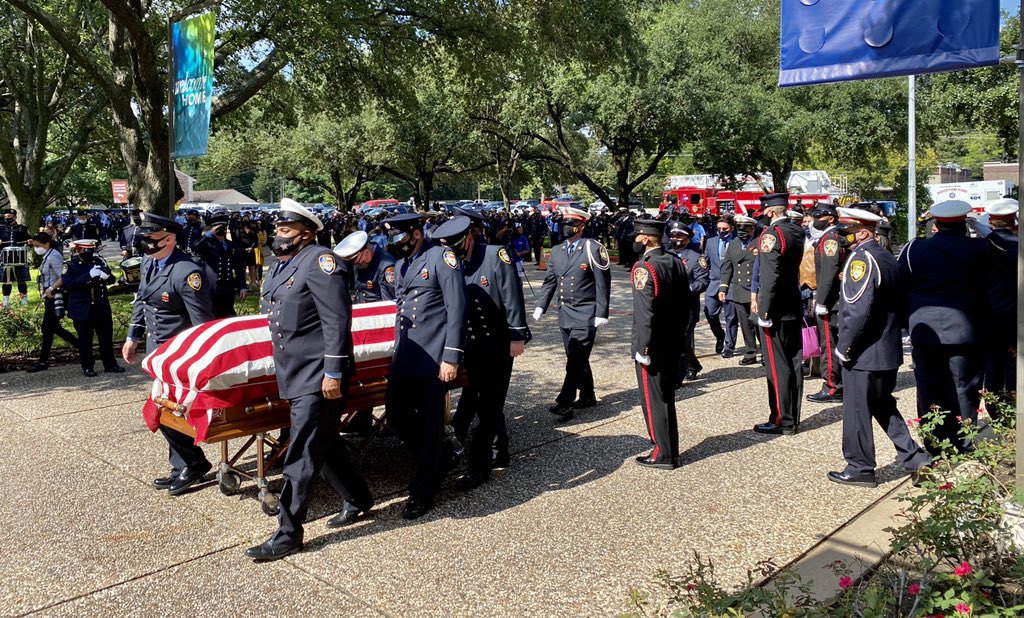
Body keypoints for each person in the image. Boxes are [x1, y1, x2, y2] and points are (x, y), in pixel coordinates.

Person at [246, 199, 373, 562]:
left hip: (319, 375)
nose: (278, 237)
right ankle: (359, 497)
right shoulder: (282, 265)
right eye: (277, 230)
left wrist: (333, 372)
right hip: (293, 369)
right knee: (324, 441)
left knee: (300, 454)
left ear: (307, 233)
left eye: (285, 231)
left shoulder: (321, 262)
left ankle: (288, 533)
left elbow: (337, 320)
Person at [827, 208, 932, 487]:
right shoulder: (886, 256)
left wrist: (844, 347)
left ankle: (860, 467)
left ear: (862, 232)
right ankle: (915, 458)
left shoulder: (862, 259)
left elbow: (857, 311)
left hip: (864, 352)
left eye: (847, 232)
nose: (843, 238)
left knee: (857, 412)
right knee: (883, 405)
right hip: (885, 348)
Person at [121, 213, 215, 496]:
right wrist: (132, 336)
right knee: (165, 410)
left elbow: (202, 322)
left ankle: (194, 463)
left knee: (167, 410)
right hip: (156, 351)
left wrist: (198, 359)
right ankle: (183, 465)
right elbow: (141, 300)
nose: (145, 244)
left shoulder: (186, 272)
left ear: (168, 239)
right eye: (145, 239)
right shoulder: (151, 262)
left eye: (150, 239)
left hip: (178, 354)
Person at [383, 212, 467, 519]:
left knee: (431, 426)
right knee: (395, 416)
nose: (396, 243)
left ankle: (424, 490)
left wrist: (452, 356)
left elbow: (457, 307)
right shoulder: (400, 265)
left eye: (400, 237)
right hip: (407, 356)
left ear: (416, 233)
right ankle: (441, 456)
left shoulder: (440, 257)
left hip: (434, 358)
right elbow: (400, 312)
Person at [443, 216, 531, 490]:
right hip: (472, 345)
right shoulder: (453, 262)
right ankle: (498, 452)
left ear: (469, 237)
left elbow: (512, 295)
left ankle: (478, 468)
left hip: (497, 343)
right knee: (476, 401)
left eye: (459, 246)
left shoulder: (496, 255)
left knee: (489, 406)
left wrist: (517, 335)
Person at [898, 200, 990, 454]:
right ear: (965, 223)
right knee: (965, 387)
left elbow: (902, 287)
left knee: (929, 386)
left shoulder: (914, 249)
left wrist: (908, 323)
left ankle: (935, 442)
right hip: (967, 329)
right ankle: (962, 439)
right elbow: (1006, 252)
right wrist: (984, 229)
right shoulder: (980, 248)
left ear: (935, 224)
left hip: (925, 329)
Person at [533, 207, 612, 420]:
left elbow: (603, 283)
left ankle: (565, 402)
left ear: (581, 226)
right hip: (565, 311)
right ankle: (587, 395)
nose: (567, 228)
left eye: (571, 224)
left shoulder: (592, 248)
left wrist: (602, 312)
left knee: (575, 359)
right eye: (564, 224)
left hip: (586, 311)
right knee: (576, 356)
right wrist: (542, 305)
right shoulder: (558, 250)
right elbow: (551, 280)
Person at [631, 219, 691, 469]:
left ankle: (662, 453)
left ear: (645, 238)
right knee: (665, 397)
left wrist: (643, 349)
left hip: (653, 345)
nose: (633, 240)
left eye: (636, 236)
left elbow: (646, 314)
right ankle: (669, 449)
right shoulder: (674, 261)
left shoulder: (645, 267)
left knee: (653, 400)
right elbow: (685, 304)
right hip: (672, 340)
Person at [753, 193, 806, 435]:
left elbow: (770, 276)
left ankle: (780, 419)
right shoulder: (797, 230)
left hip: (776, 309)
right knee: (793, 363)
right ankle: (792, 416)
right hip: (793, 304)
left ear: (771, 212)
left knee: (777, 366)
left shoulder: (772, 234)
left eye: (765, 211)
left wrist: (764, 310)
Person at [60, 239, 125, 377]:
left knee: (106, 338)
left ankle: (110, 364)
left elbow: (111, 279)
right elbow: (69, 284)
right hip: (82, 308)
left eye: (91, 249)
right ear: (78, 250)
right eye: (86, 250)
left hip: (101, 307)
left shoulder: (98, 262)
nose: (89, 253)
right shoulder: (70, 265)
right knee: (85, 340)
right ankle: (88, 366)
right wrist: (88, 276)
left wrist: (107, 276)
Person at [807, 203, 847, 403]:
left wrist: (821, 300)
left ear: (830, 219)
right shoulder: (828, 238)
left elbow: (829, 273)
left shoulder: (830, 239)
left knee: (829, 345)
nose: (815, 221)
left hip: (830, 301)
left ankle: (832, 387)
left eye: (818, 217)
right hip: (831, 299)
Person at [982, 198, 1018, 406]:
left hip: (989, 315)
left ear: (990, 222)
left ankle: (994, 405)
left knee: (993, 363)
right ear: (1014, 223)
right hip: (1015, 315)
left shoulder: (982, 247)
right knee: (1013, 361)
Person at [27, 232, 77, 372]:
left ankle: (43, 361)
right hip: (49, 295)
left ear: (46, 244)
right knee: (52, 327)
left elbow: (63, 276)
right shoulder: (48, 254)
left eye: (37, 246)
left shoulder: (54, 255)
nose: (36, 248)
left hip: (55, 295)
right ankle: (81, 346)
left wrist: (51, 289)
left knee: (47, 328)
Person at [666, 222, 709, 380]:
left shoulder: (696, 258)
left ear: (687, 239)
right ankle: (693, 364)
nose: (675, 239)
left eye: (679, 236)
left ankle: (682, 371)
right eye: (672, 236)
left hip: (687, 306)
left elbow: (702, 281)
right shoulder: (666, 255)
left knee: (683, 337)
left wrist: (687, 289)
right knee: (676, 338)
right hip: (669, 306)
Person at [717, 214, 759, 366]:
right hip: (739, 289)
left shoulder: (759, 243)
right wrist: (723, 287)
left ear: (752, 228)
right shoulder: (734, 244)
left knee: (758, 323)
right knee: (745, 324)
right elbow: (727, 267)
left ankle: (766, 353)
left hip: (755, 290)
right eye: (739, 228)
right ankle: (750, 352)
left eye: (745, 228)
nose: (742, 232)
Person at [193, 215, 248, 318]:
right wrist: (209, 233)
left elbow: (239, 267)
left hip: (227, 286)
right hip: (212, 287)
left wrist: (243, 286)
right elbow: (195, 246)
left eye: (223, 227)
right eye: (218, 227)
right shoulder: (207, 243)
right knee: (212, 315)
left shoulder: (232, 245)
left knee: (228, 314)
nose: (221, 229)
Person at [703, 215, 739, 356]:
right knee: (710, 313)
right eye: (719, 229)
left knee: (731, 317)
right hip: (714, 284)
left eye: (725, 229)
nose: (722, 231)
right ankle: (720, 335)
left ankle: (729, 346)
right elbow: (705, 262)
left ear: (732, 228)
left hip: (732, 285)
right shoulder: (711, 242)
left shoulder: (737, 242)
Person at [333, 230, 397, 303]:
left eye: (357, 261)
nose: (355, 264)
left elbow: (389, 303)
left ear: (367, 252)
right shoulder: (359, 262)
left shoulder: (385, 266)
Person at [1, 208, 31, 307]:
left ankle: (24, 301)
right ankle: (5, 302)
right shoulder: (1, 228)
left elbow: (29, 241)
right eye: (5, 217)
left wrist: (29, 242)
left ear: (15, 217)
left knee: (21, 280)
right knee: (7, 281)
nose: (7, 219)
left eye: (9, 217)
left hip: (20, 257)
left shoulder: (22, 228)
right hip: (6, 258)